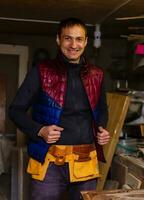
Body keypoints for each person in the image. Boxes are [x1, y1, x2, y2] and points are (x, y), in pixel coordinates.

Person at [9, 17, 110, 200]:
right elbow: (15, 110)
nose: (73, 45)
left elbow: (102, 109)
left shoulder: (97, 75)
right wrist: (40, 130)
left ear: (86, 42)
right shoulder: (41, 71)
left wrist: (102, 128)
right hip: (50, 162)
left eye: (79, 39)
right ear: (58, 40)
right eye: (67, 38)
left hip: (85, 161)